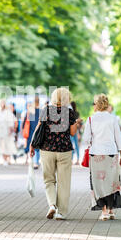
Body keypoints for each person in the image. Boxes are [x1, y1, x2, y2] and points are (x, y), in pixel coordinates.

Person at [30, 88, 77, 220]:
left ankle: (52, 205)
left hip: (47, 149)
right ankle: (61, 212)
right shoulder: (69, 112)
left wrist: (32, 145)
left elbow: (39, 128)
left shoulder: (46, 110)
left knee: (49, 179)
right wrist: (76, 124)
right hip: (64, 150)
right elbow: (73, 133)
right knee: (64, 182)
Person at [81, 94, 121, 221]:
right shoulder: (112, 119)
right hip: (111, 154)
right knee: (111, 182)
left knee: (98, 183)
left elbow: (86, 139)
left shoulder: (91, 119)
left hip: (96, 154)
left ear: (97, 105)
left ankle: (104, 211)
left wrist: (92, 141)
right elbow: (119, 138)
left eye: (94, 104)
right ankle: (111, 210)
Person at [0, 99, 17, 166]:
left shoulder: (7, 112)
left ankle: (5, 160)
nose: (2, 104)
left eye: (3, 103)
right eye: (0, 103)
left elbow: (11, 121)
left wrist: (11, 129)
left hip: (6, 130)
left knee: (5, 145)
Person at [23, 96, 41, 169]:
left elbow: (28, 121)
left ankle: (33, 161)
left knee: (32, 145)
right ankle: (36, 162)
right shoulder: (40, 110)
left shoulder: (30, 110)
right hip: (38, 129)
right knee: (37, 147)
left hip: (31, 130)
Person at [70, 101, 82, 165]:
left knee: (71, 145)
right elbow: (79, 123)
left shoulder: (69, 112)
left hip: (71, 130)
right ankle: (77, 160)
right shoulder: (77, 113)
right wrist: (79, 133)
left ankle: (71, 160)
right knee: (77, 146)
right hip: (76, 130)